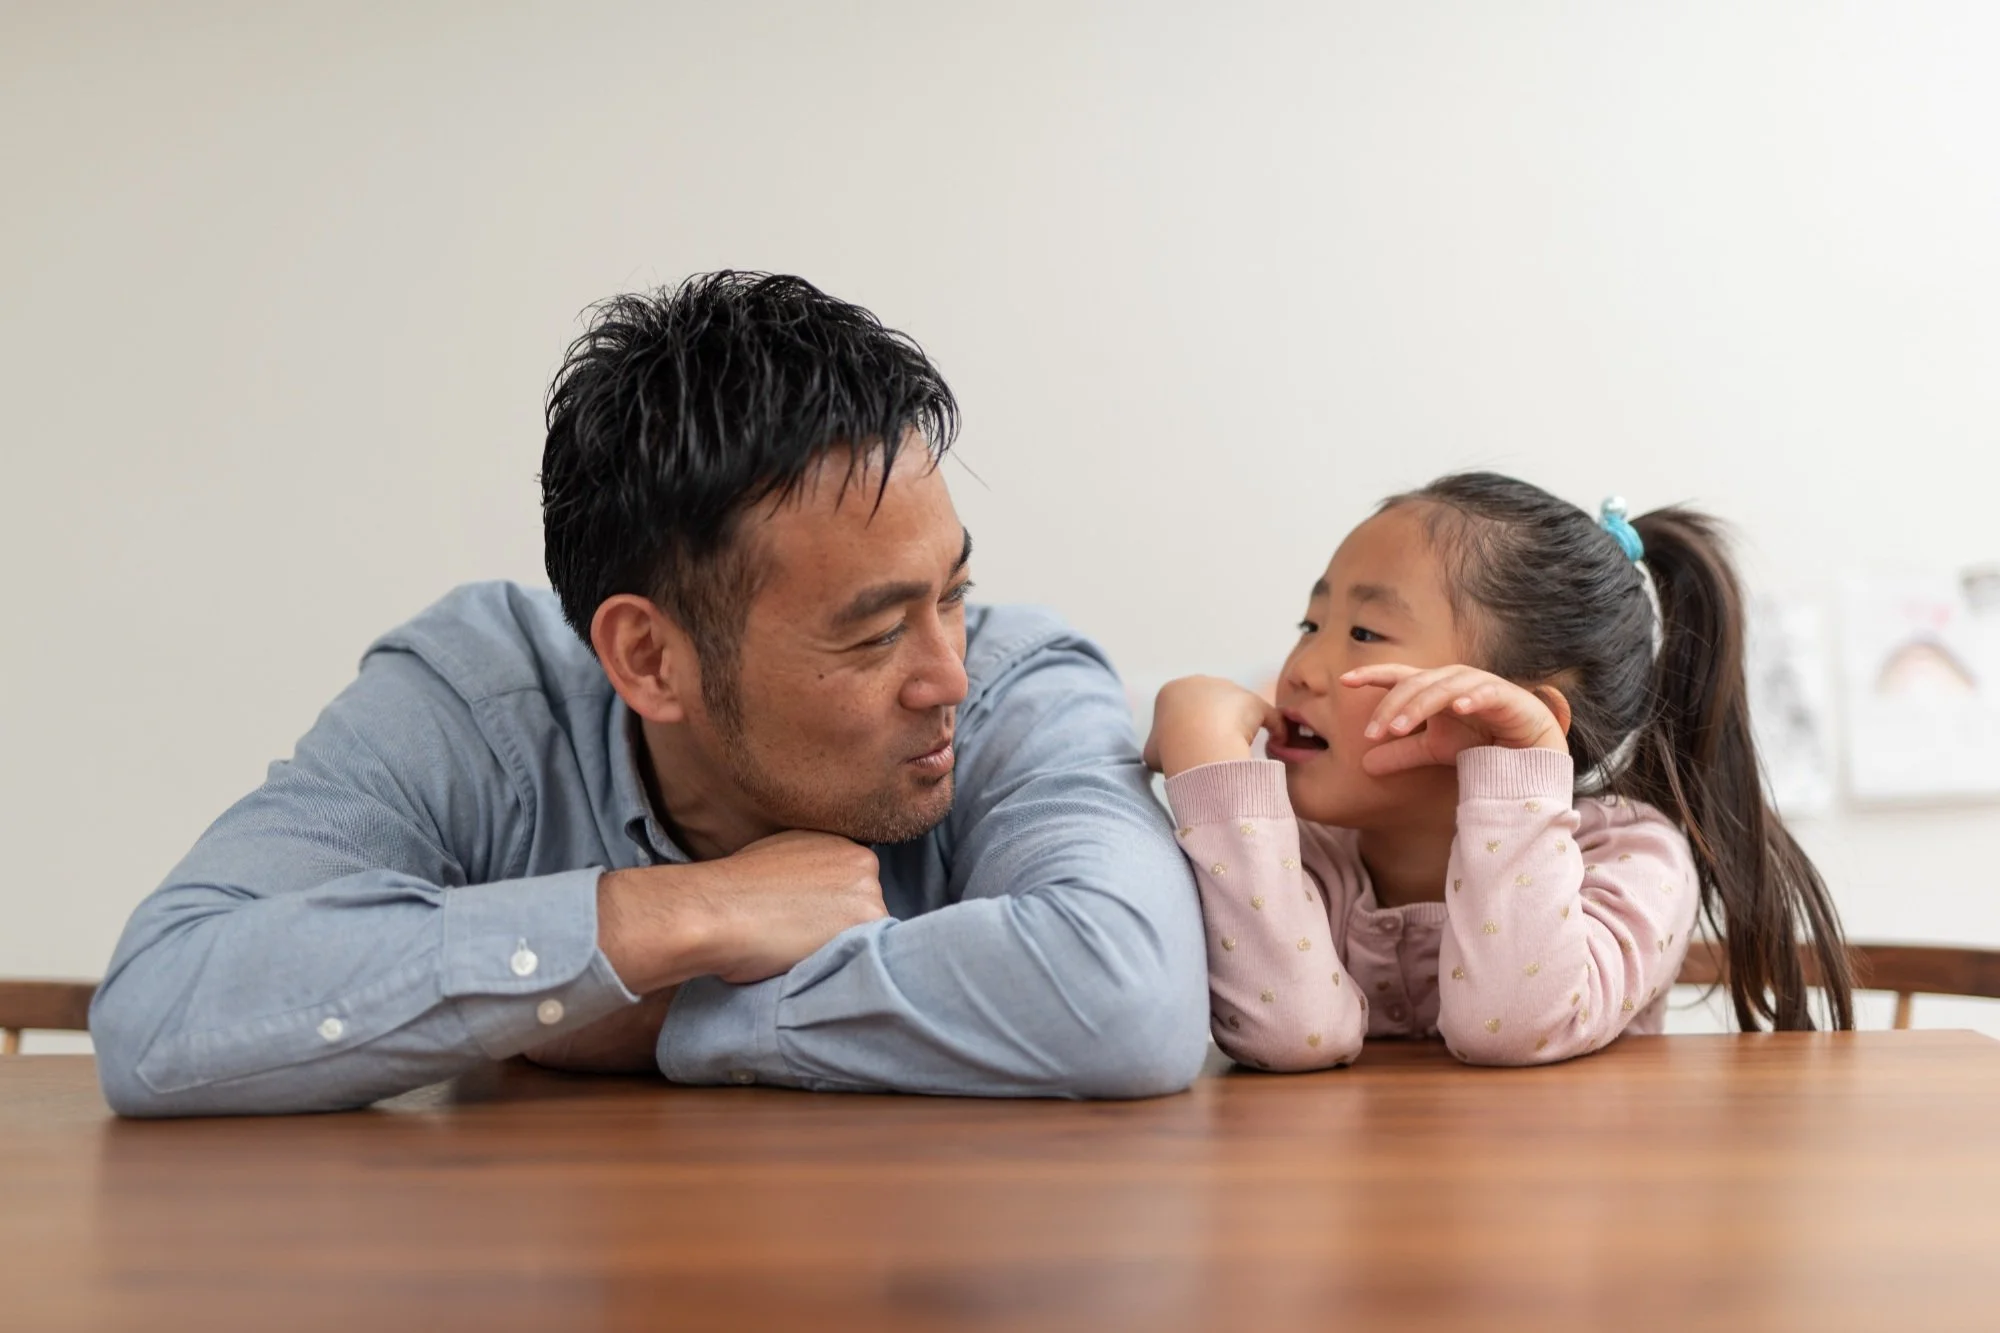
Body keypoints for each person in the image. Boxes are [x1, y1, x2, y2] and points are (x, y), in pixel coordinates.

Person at [90, 272, 1209, 1115]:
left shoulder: (1020, 683)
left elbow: (1126, 1001)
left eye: (954, 593)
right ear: (647, 658)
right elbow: (162, 1009)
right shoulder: (483, 696)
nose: (947, 674)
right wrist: (676, 916)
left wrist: (676, 1011)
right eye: (874, 631)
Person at [1143, 472, 1852, 1070]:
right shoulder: (1283, 853)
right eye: (1310, 625)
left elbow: (1511, 1028)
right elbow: (1293, 1034)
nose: (1301, 669)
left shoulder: (1631, 858)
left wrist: (1518, 770)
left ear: (1516, 713)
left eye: (1363, 633)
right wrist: (1212, 764)